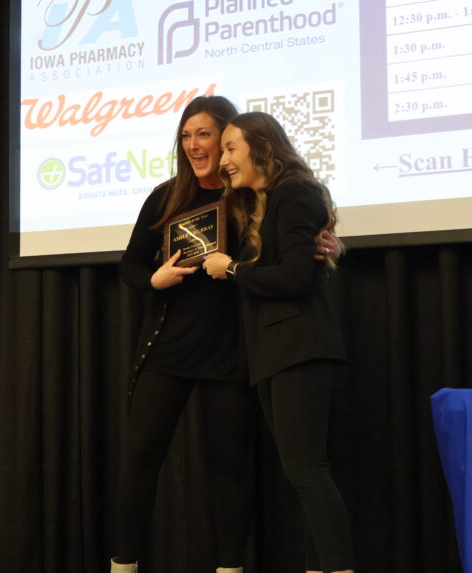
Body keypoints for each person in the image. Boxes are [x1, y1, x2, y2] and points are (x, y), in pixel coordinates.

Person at [113, 96, 340, 573]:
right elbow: (129, 266)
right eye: (186, 135)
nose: (194, 145)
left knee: (230, 465)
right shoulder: (165, 196)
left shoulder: (252, 197)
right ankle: (123, 565)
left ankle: (230, 568)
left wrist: (330, 244)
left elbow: (291, 256)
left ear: (230, 141)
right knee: (139, 456)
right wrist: (154, 279)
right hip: (169, 346)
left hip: (234, 348)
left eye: (206, 135)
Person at [203, 111, 355, 573]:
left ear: (263, 148)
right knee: (301, 473)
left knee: (308, 471)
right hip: (275, 352)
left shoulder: (294, 192)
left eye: (231, 148)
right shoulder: (263, 202)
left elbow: (294, 278)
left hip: (299, 347)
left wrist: (231, 269)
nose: (222, 160)